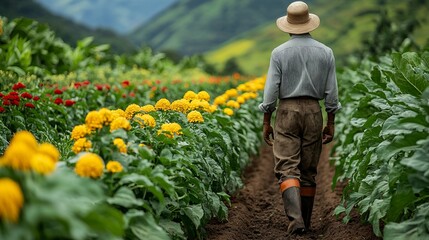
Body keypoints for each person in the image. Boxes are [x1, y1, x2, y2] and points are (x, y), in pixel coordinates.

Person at [258, 1, 341, 237]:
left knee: (287, 167)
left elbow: (271, 89)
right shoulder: (326, 52)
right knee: (308, 170)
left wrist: (267, 120)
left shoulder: (279, 53)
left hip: (287, 110)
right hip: (314, 111)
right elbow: (332, 92)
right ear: (309, 24)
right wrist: (331, 121)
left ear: (288, 26)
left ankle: (296, 221)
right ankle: (306, 219)